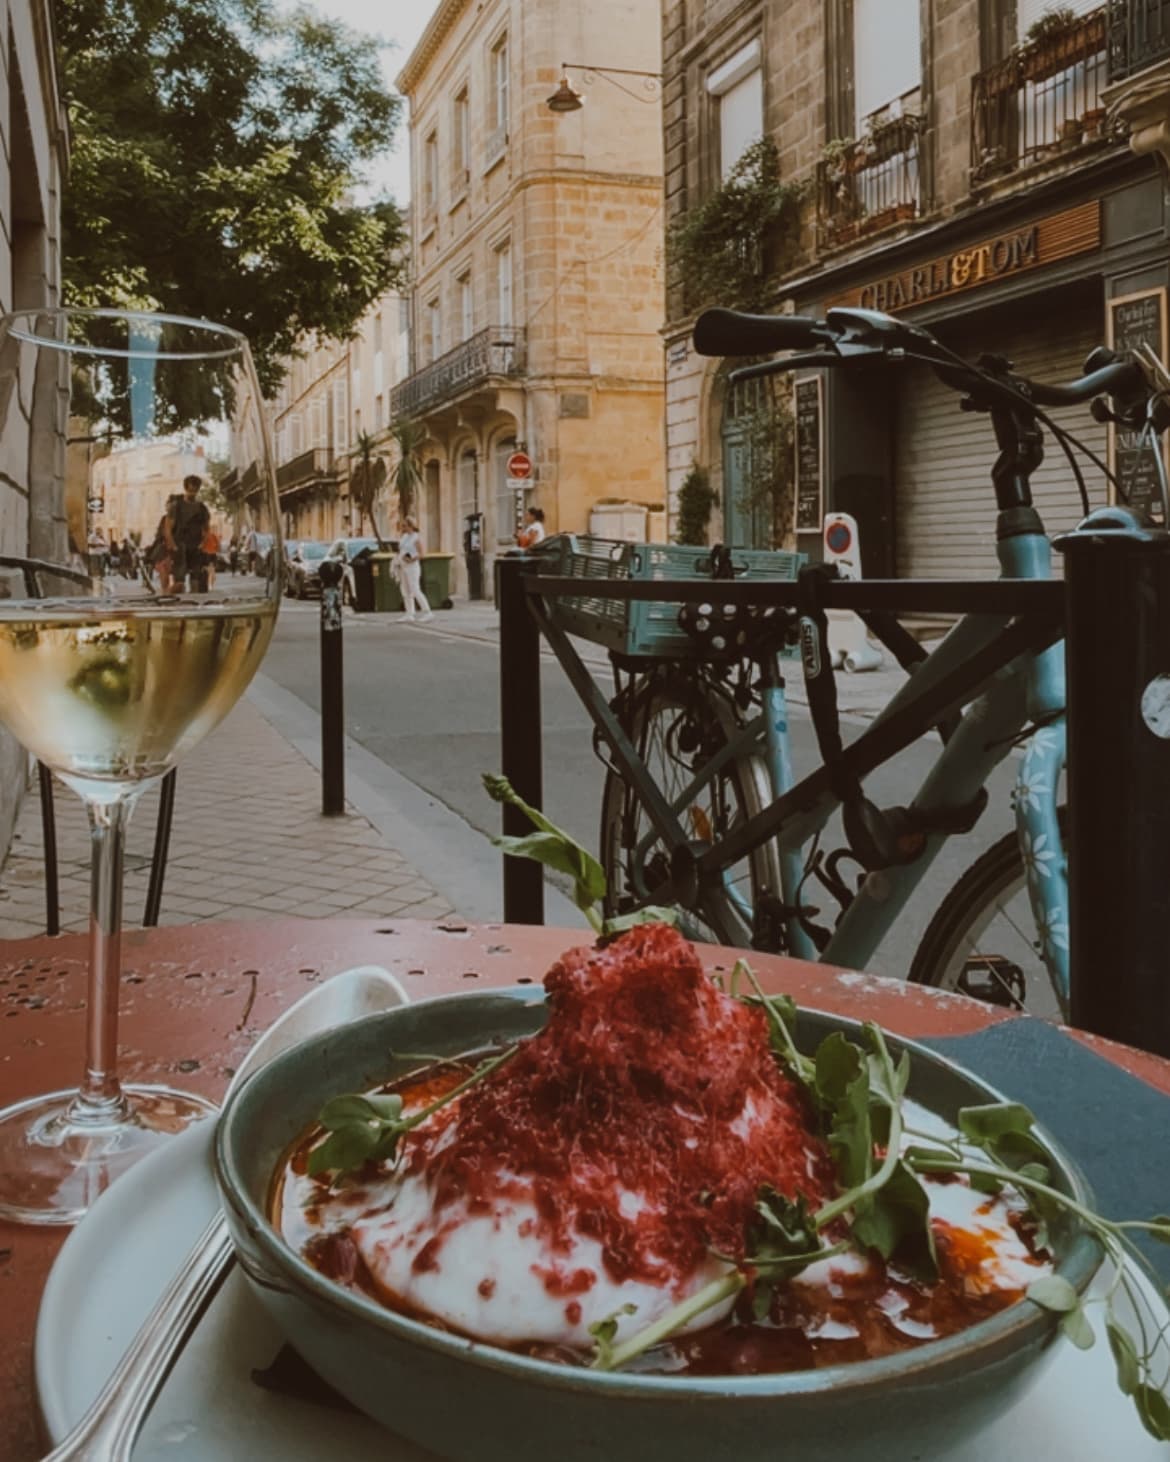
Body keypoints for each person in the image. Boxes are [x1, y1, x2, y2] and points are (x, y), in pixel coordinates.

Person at [166, 474, 211, 592]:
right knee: (179, 582)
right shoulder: (176, 506)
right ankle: (174, 600)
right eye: (190, 490)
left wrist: (203, 544)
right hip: (180, 545)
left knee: (195, 579)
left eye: (195, 490)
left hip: (195, 546)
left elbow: (206, 529)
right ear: (186, 488)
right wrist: (173, 546)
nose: (193, 493)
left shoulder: (202, 508)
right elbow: (168, 528)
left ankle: (194, 604)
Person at [396, 517, 433, 622]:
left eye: (405, 526)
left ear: (411, 526)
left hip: (412, 567)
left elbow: (422, 554)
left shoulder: (416, 538)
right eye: (402, 526)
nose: (403, 528)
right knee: (405, 590)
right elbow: (400, 549)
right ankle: (409, 613)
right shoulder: (404, 537)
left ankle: (427, 611)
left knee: (415, 589)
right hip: (403, 566)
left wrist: (411, 559)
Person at [202, 523, 221, 591]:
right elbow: (218, 545)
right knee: (211, 569)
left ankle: (209, 584)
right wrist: (217, 550)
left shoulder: (204, 536)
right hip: (213, 553)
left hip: (207, 554)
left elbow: (202, 545)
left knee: (208, 570)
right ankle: (211, 585)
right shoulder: (213, 535)